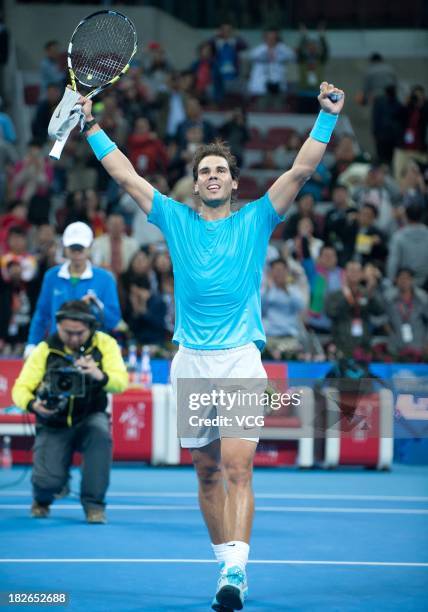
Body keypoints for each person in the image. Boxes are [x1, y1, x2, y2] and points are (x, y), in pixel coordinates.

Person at [78, 80, 344, 611]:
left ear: (233, 181)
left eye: (220, 169)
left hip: (242, 358)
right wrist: (90, 126)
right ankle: (224, 559)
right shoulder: (174, 219)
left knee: (239, 468)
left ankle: (236, 571)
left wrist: (327, 118)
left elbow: (301, 170)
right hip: (192, 362)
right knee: (205, 471)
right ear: (195, 185)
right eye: (204, 172)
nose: (212, 176)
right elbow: (125, 175)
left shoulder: (257, 219)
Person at [12, 300, 128, 523]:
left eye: (80, 333)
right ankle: (42, 500)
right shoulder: (44, 349)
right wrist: (33, 405)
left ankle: (94, 505)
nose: (74, 338)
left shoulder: (105, 344)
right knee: (48, 483)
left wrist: (98, 374)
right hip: (53, 420)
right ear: (58, 326)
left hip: (90, 416)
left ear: (91, 327)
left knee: (101, 434)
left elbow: (121, 382)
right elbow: (20, 388)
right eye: (68, 333)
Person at [25, 221, 121, 356]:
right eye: (72, 248)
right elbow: (42, 314)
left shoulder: (105, 279)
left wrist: (96, 306)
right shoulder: (52, 276)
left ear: (90, 247)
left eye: (80, 248)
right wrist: (32, 344)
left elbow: (113, 321)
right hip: (57, 349)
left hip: (93, 352)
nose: (77, 253)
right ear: (64, 247)